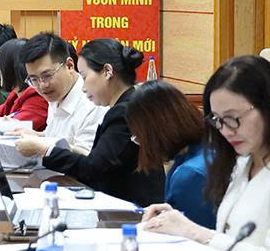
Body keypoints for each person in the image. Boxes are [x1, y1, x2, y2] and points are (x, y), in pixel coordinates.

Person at [140, 55, 270, 251]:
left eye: (233, 118)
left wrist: (198, 234)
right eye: (218, 120)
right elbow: (233, 240)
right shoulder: (243, 163)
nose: (226, 130)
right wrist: (179, 222)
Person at [16, 39, 164, 205]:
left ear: (107, 72)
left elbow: (93, 168)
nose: (83, 87)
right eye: (34, 79)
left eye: (85, 77)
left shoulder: (123, 113)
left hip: (134, 209)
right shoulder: (125, 106)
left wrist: (44, 149)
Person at [125, 80, 215, 229]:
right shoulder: (210, 150)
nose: (142, 144)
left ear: (154, 131)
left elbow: (190, 236)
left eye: (139, 137)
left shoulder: (189, 174)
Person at [13, 32, 105, 154]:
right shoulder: (57, 95)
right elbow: (57, 135)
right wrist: (36, 135)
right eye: (34, 79)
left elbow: (88, 157)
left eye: (47, 75)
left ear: (69, 65)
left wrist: (41, 146)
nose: (42, 85)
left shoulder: (93, 103)